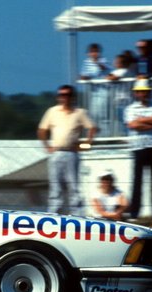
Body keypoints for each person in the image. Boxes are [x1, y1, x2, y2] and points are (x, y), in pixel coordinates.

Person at [37, 84, 97, 215]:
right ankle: (54, 213)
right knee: (55, 186)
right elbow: (42, 130)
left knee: (73, 186)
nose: (64, 97)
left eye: (67, 95)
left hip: (71, 152)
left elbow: (92, 128)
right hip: (56, 152)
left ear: (73, 97)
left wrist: (86, 145)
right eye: (61, 95)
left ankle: (77, 214)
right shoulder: (52, 111)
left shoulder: (80, 112)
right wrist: (47, 146)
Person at [124, 78, 152, 222]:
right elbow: (132, 125)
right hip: (138, 146)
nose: (144, 94)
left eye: (146, 91)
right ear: (136, 93)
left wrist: (142, 120)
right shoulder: (130, 108)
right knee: (138, 180)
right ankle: (134, 213)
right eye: (141, 92)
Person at [80, 43, 110, 133]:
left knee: (103, 112)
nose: (94, 54)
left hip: (104, 90)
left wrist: (97, 63)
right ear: (88, 53)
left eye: (96, 51)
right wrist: (84, 77)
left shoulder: (104, 60)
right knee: (93, 113)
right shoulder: (86, 62)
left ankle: (105, 133)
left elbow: (106, 69)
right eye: (92, 52)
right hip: (93, 91)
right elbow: (83, 74)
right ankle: (95, 132)